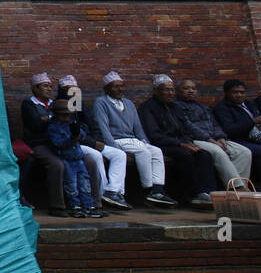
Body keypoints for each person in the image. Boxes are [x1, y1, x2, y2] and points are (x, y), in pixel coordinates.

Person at [91, 71, 175, 207]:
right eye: (115, 86)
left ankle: (158, 189)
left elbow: (138, 128)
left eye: (122, 86)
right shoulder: (101, 103)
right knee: (144, 152)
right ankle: (148, 189)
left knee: (156, 151)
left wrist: (145, 142)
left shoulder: (129, 103)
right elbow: (103, 129)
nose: (120, 89)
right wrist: (114, 146)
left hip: (133, 140)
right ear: (107, 88)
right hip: (117, 140)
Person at [20, 73, 99, 215]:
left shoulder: (56, 104)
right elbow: (36, 125)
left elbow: (74, 122)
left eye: (51, 86)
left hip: (67, 144)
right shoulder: (29, 104)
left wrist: (49, 118)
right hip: (41, 144)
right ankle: (58, 206)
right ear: (35, 89)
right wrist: (54, 118)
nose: (49, 89)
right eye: (45, 86)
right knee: (57, 164)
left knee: (90, 162)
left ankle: (93, 204)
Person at [137, 75, 217, 209]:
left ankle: (205, 192)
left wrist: (188, 142)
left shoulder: (175, 108)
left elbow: (185, 129)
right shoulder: (148, 108)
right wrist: (180, 144)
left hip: (180, 143)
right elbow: (154, 135)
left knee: (204, 155)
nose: (171, 93)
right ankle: (188, 194)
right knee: (184, 156)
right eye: (166, 90)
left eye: (172, 90)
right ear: (156, 91)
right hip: (161, 145)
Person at [57, 74, 129, 209]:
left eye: (75, 89)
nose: (73, 92)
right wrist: (92, 143)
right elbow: (71, 132)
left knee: (119, 154)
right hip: (75, 145)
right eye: (69, 89)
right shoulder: (61, 106)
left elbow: (93, 125)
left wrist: (98, 140)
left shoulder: (79, 104)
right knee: (96, 156)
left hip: (91, 142)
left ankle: (113, 191)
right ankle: (101, 194)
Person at [175, 79, 254, 188]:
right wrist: (209, 139)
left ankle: (237, 186)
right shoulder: (176, 107)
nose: (191, 91)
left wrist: (221, 137)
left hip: (214, 139)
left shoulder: (202, 106)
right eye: (186, 88)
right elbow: (188, 126)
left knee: (243, 152)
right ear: (177, 91)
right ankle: (237, 187)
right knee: (218, 152)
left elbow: (215, 124)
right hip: (195, 140)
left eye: (193, 88)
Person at [212, 80, 261, 185]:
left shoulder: (249, 104)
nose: (239, 95)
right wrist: (252, 121)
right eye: (235, 92)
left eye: (242, 92)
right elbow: (230, 130)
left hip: (258, 138)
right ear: (227, 93)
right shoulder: (222, 108)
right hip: (239, 140)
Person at [47, 103, 102, 217]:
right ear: (56, 115)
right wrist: (71, 139)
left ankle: (88, 205)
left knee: (84, 183)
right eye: (64, 116)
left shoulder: (72, 124)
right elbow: (58, 143)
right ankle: (75, 206)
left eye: (68, 115)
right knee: (71, 184)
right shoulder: (53, 127)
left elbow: (82, 133)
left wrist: (78, 132)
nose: (67, 118)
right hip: (66, 158)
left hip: (78, 158)